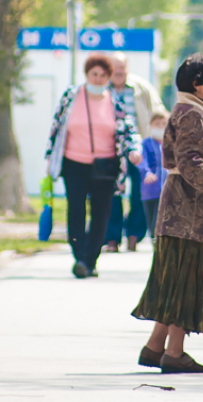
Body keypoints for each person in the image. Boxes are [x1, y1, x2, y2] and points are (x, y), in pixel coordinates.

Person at [132, 54, 203, 374]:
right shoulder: (190, 113)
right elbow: (191, 162)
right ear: (197, 83)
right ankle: (174, 353)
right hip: (188, 215)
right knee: (186, 282)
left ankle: (156, 346)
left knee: (176, 281)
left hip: (189, 215)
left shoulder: (195, 110)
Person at [46, 53, 142, 278]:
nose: (98, 79)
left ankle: (91, 259)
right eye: (94, 74)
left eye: (103, 75)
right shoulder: (71, 96)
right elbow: (56, 127)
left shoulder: (114, 101)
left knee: (101, 213)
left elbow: (128, 129)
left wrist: (134, 150)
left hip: (105, 165)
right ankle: (79, 255)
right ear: (87, 74)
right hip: (74, 164)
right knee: (76, 210)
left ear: (109, 77)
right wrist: (50, 156)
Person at [105, 53, 168, 253]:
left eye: (122, 66)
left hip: (140, 150)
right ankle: (112, 238)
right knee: (112, 194)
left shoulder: (142, 88)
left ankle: (134, 235)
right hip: (110, 150)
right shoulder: (103, 89)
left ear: (127, 67)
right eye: (115, 67)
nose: (119, 71)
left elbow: (159, 112)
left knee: (140, 193)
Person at [138, 110, 169, 241]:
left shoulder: (172, 144)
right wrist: (147, 172)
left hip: (168, 189)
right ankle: (153, 239)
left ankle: (159, 240)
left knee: (161, 217)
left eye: (164, 123)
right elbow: (142, 160)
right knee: (151, 217)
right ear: (150, 125)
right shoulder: (145, 144)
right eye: (157, 124)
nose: (161, 127)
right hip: (150, 189)